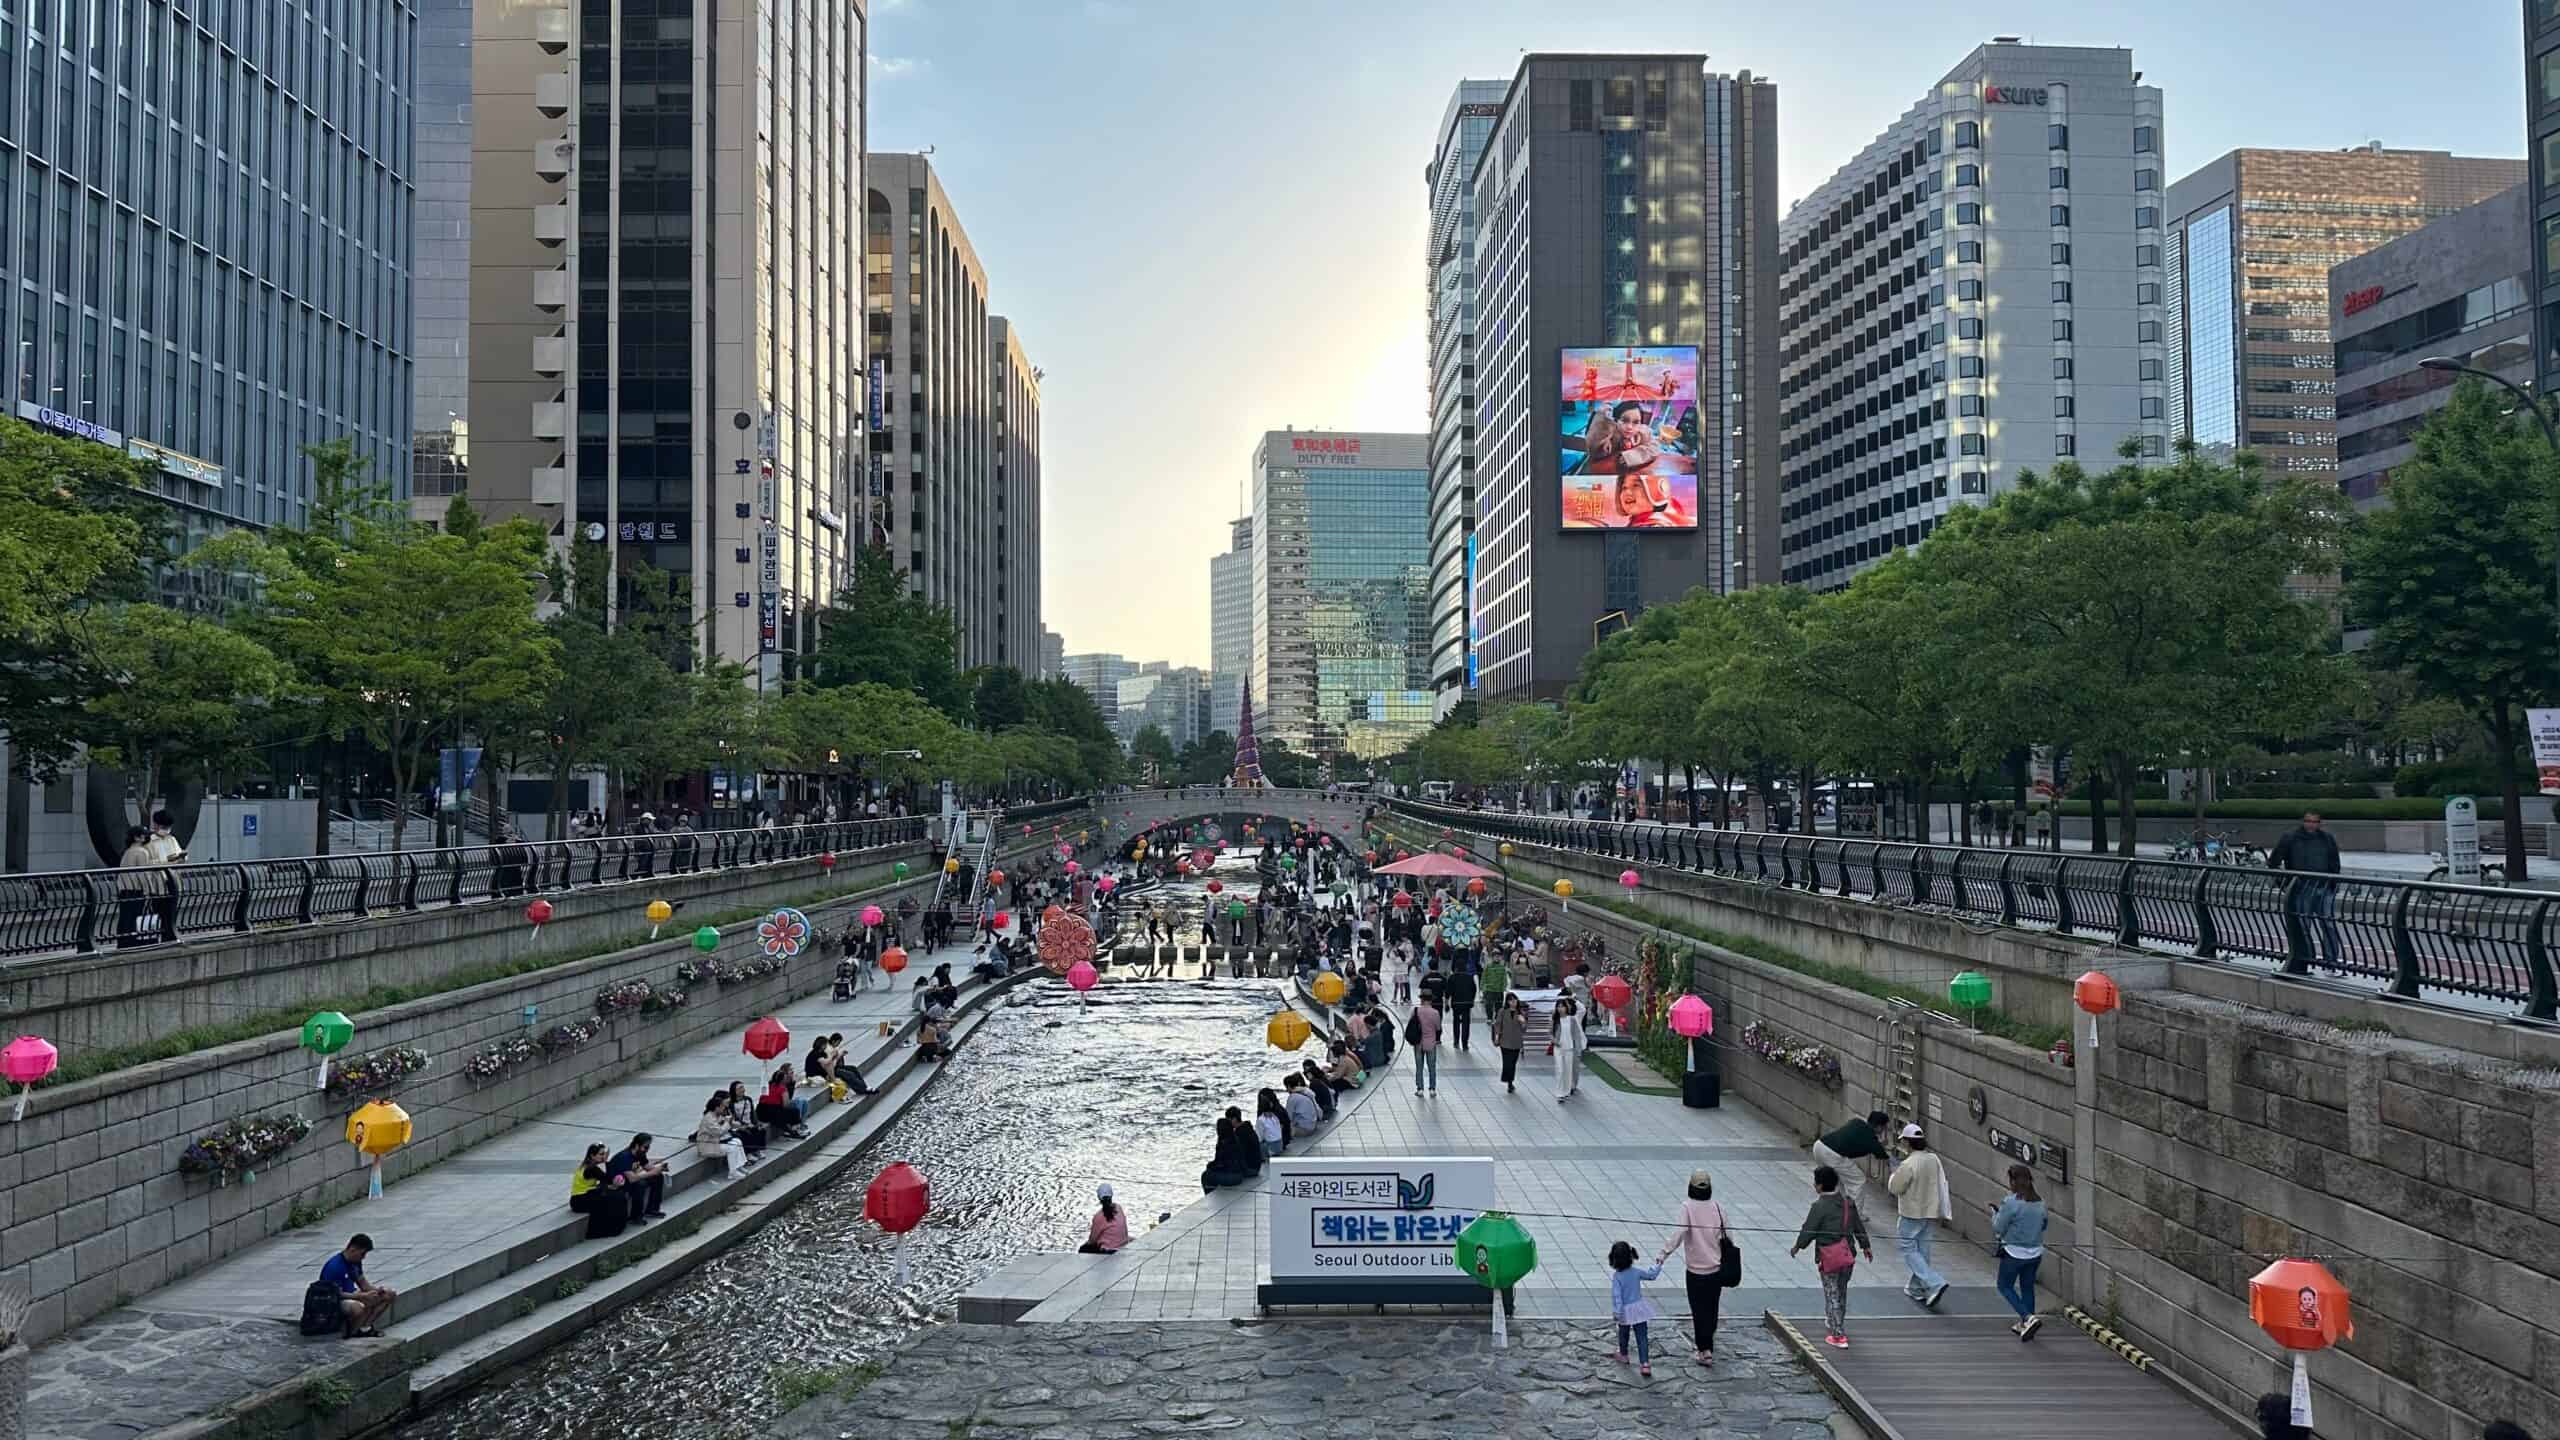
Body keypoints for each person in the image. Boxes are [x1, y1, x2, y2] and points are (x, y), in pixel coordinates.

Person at [1788, 1164, 1872, 1349]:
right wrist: (1865, 1246)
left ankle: (1838, 1335)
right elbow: (1858, 1227)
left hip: (1829, 1256)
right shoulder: (1848, 1203)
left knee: (1831, 1292)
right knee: (1841, 1291)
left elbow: (1808, 1230)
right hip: (1847, 1254)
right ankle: (1835, 1320)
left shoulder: (1819, 1206)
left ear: (1819, 1186)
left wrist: (1798, 1246)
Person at [1655, 1170, 1731, 1366]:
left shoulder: (1687, 1207)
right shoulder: (1718, 1207)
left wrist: (1663, 1254)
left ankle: (1703, 1350)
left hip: (1695, 1270)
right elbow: (1728, 1236)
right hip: (1715, 1269)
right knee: (1712, 1308)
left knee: (1698, 1310)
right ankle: (1708, 1345)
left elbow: (1679, 1233)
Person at [1887, 1123, 1950, 1309]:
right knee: (1923, 1250)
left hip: (1911, 1213)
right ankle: (1917, 1288)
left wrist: (1893, 1175)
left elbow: (1895, 1188)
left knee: (1908, 1249)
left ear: (1907, 1142)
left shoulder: (1908, 1164)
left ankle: (1934, 1282)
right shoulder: (1933, 1158)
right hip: (1930, 1212)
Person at [2270, 811, 2343, 965]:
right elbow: (2273, 862)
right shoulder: (2290, 838)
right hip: (2302, 889)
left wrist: (2332, 884)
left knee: (2329, 925)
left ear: (2320, 823)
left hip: (2324, 888)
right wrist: (2284, 884)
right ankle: (2307, 958)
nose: (2311, 824)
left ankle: (2331, 960)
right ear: (2303, 822)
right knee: (2304, 926)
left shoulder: (2327, 839)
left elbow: (2335, 862)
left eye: (2315, 821)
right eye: (2308, 821)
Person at [1989, 1163, 2047, 1340]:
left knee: (2004, 1286)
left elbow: (1998, 1227)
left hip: (2014, 1253)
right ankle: (2025, 1323)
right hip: (2036, 1253)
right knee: (2027, 1287)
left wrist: (1994, 1213)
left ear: (2014, 1181)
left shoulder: (2011, 1202)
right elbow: (2044, 1225)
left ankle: (2028, 1318)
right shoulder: (2041, 1203)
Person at [317, 1233, 397, 1337]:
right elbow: (336, 1294)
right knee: (357, 1307)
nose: (363, 1258)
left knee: (389, 1294)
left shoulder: (355, 1262)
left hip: (352, 1294)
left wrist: (378, 1291)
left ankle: (366, 1328)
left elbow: (363, 1284)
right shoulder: (334, 1267)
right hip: (334, 1300)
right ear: (353, 1249)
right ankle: (353, 1333)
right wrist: (361, 1296)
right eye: (362, 1254)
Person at [1607, 1240, 1665, 1377]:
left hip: (1625, 1311)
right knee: (1642, 1336)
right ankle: (1645, 1364)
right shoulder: (1636, 1272)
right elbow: (1651, 1275)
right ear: (1630, 1257)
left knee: (1623, 1333)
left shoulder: (1617, 1277)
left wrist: (1617, 1312)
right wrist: (1658, 1265)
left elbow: (1617, 1297)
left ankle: (1624, 1354)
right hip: (1639, 1308)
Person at [568, 1143, 631, 1239]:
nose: (603, 1156)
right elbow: (609, 1179)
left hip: (582, 1196)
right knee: (614, 1198)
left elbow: (605, 1182)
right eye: (601, 1154)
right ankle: (605, 1230)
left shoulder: (589, 1164)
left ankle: (617, 1226)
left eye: (604, 1154)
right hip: (579, 1200)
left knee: (615, 1195)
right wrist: (606, 1162)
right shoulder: (592, 1169)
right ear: (592, 1155)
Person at [1813, 1110, 1892, 1183]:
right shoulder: (1872, 1141)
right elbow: (1884, 1157)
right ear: (1879, 1127)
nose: (1884, 1131)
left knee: (1833, 1178)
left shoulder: (1857, 1122)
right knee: (1858, 1179)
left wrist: (1878, 1144)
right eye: (1884, 1128)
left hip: (1819, 1146)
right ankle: (1851, 1198)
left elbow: (1865, 1141)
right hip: (1832, 1155)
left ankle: (1833, 1196)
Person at [607, 1133, 670, 1222]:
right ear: (637, 1145)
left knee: (658, 1177)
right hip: (618, 1183)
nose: (647, 1150)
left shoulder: (640, 1154)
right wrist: (652, 1172)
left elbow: (648, 1167)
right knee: (640, 1184)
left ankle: (652, 1209)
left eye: (648, 1147)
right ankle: (635, 1216)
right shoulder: (625, 1157)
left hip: (629, 1179)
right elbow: (632, 1178)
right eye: (645, 1147)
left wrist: (660, 1168)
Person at [115, 825, 158, 946]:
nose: (146, 836)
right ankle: (137, 941)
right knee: (137, 916)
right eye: (143, 835)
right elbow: (144, 874)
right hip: (137, 889)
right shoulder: (142, 852)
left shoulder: (127, 851)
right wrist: (149, 891)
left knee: (125, 917)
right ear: (137, 838)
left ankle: (123, 942)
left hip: (124, 889)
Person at [695, 1093, 751, 1179]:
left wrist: (735, 1123)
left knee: (737, 1141)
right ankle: (732, 1172)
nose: (724, 1108)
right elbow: (719, 1132)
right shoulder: (708, 1119)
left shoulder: (717, 1115)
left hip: (716, 1142)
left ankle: (739, 1166)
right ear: (717, 1108)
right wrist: (727, 1122)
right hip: (707, 1146)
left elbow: (728, 1124)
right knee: (731, 1148)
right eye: (722, 1107)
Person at [1201, 1117, 1253, 1192]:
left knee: (1205, 1176)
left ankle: (1209, 1193)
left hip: (1232, 1177)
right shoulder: (1235, 1139)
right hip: (1239, 1174)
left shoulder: (1224, 1144)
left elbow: (1222, 1164)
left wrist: (1210, 1166)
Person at [757, 1066, 811, 1138]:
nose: (786, 1079)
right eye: (785, 1078)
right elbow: (786, 1104)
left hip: (761, 1112)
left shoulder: (768, 1085)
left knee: (795, 1106)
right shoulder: (782, 1088)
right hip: (773, 1112)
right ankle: (796, 1129)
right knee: (795, 1111)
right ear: (782, 1080)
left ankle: (794, 1128)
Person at [1552, 994, 1587, 1101]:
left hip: (1570, 1048)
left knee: (1569, 1070)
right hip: (1558, 1048)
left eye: (1562, 1006)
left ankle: (1567, 1090)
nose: (1560, 1009)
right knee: (1560, 1069)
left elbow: (1576, 1036)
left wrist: (1578, 1050)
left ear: (1567, 1007)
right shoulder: (1555, 1020)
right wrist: (1554, 1040)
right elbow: (1550, 1032)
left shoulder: (1573, 1019)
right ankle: (1559, 1093)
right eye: (1558, 1006)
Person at [1493, 993, 1529, 1094]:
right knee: (1507, 1062)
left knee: (1513, 1062)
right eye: (1510, 1000)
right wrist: (1497, 1037)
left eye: (1514, 1000)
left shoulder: (1520, 1012)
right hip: (1505, 1041)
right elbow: (1498, 1024)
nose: (1513, 1002)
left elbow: (1524, 1029)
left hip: (1516, 1042)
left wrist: (1523, 1022)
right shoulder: (1502, 1011)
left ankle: (1510, 1081)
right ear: (1507, 1002)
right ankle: (1509, 1082)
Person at [1408, 993, 1442, 1095]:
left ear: (1421, 1000)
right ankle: (1432, 1089)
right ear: (1431, 1001)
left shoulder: (1415, 1011)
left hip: (1418, 1043)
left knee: (1419, 1067)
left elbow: (1411, 1024)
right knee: (1432, 1066)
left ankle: (1420, 1089)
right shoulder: (1435, 1012)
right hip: (1430, 1043)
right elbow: (1438, 1028)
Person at [1080, 1184, 1129, 1254]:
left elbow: (1092, 1240)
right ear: (1111, 1195)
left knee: (1083, 1249)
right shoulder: (1119, 1208)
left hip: (1108, 1250)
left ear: (1099, 1198)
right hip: (1123, 1246)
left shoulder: (1098, 1216)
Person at [1443, 964, 1477, 1052]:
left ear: (1456, 969)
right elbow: (1474, 989)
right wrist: (1471, 1000)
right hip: (1466, 1003)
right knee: (1466, 1023)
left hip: (1456, 1003)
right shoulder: (1469, 977)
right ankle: (1465, 1044)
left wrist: (1446, 1004)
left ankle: (1456, 1041)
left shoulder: (1452, 977)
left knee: (1456, 1022)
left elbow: (1447, 992)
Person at [1256, 1087, 1292, 1153]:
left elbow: (1261, 1136)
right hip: (1283, 1141)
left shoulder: (1274, 1113)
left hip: (1277, 1143)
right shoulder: (1279, 1109)